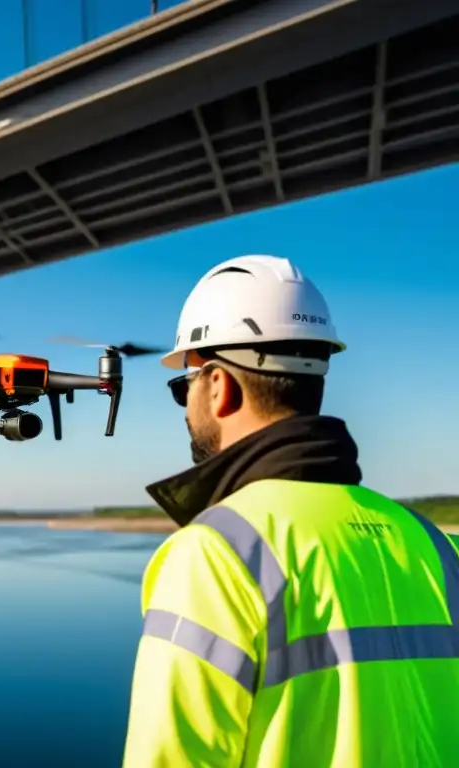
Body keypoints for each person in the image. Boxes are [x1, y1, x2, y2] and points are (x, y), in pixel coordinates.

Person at [122, 255, 459, 767]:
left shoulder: (215, 555)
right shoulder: (433, 544)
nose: (186, 404)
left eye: (182, 386)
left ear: (218, 386)